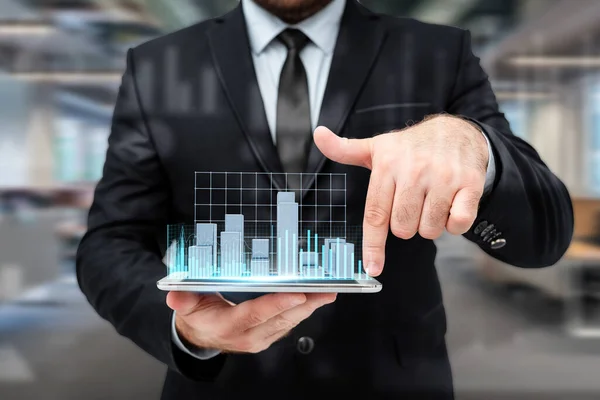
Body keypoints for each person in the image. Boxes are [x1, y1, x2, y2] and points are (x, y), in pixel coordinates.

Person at [76, 0, 574, 399]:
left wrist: (474, 147)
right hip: (222, 386)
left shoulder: (437, 52)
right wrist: (186, 331)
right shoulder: (158, 65)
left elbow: (543, 236)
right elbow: (109, 244)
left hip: (392, 381)